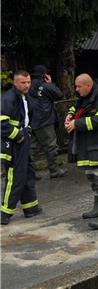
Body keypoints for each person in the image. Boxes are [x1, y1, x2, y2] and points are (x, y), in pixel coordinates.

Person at [64, 74, 98, 230]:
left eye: (79, 87)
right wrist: (70, 115)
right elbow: (78, 107)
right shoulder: (86, 97)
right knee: (93, 178)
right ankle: (97, 209)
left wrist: (76, 124)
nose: (76, 89)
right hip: (89, 148)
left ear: (88, 85)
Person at [1, 70, 42, 225]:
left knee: (28, 172)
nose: (27, 85)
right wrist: (18, 135)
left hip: (23, 140)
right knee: (16, 177)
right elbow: (1, 124)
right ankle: (4, 212)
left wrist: (28, 131)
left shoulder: (24, 97)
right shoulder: (8, 99)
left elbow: (27, 117)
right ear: (15, 82)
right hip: (13, 144)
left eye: (29, 82)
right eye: (23, 82)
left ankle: (31, 208)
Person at [29, 64, 67, 179]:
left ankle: (29, 173)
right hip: (44, 120)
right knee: (50, 146)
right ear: (44, 75)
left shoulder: (27, 85)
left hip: (31, 120)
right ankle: (54, 170)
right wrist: (50, 83)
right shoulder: (45, 86)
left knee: (32, 148)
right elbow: (59, 95)